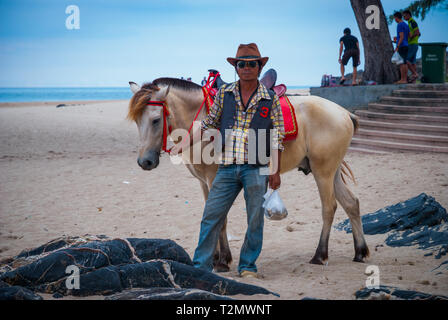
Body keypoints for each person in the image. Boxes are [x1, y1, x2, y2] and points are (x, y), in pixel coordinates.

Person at [171, 43, 285, 278]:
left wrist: (275, 170)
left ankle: (247, 266)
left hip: (256, 167)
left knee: (254, 220)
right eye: (241, 64)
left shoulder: (270, 98)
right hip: (227, 167)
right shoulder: (225, 93)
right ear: (236, 67)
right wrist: (181, 145)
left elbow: (277, 137)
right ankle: (200, 266)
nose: (246, 68)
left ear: (259, 67)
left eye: (251, 64)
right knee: (211, 216)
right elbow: (207, 125)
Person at [403, 10, 420, 83]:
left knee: (405, 60)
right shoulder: (409, 23)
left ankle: (415, 74)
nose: (404, 17)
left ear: (408, 15)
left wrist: (410, 37)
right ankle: (414, 81)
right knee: (413, 62)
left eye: (404, 16)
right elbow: (419, 34)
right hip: (414, 44)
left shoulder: (412, 22)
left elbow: (417, 33)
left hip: (412, 44)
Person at [393, 11, 410, 84]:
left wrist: (397, 46)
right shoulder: (406, 25)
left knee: (401, 63)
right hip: (406, 45)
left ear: (396, 18)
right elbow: (409, 35)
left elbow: (402, 37)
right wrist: (399, 38)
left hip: (402, 46)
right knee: (405, 63)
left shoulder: (399, 25)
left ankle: (403, 79)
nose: (395, 20)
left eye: (394, 18)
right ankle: (405, 79)